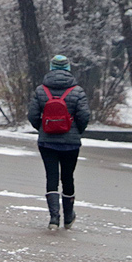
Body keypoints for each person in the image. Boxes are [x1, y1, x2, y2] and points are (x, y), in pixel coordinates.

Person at [28, 54, 92, 230]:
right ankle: (69, 216)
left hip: (47, 142)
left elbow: (32, 115)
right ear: (68, 68)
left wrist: (42, 128)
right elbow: (84, 115)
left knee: (52, 176)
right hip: (71, 143)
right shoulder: (77, 91)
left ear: (51, 67)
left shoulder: (41, 90)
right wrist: (76, 131)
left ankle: (54, 219)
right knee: (68, 177)